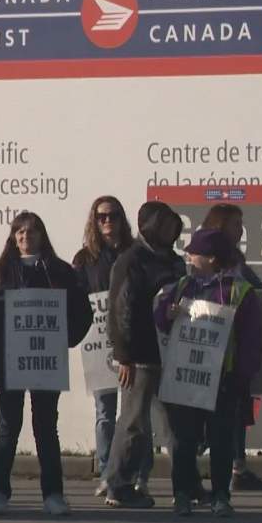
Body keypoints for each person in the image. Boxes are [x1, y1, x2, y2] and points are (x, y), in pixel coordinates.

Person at [0, 211, 93, 517]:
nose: (26, 237)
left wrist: (65, 340)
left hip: (46, 362)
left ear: (42, 235)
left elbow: (82, 312)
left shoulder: (60, 272)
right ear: (13, 237)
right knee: (8, 426)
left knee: (46, 427)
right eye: (20, 232)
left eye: (33, 232)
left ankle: (53, 495)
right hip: (7, 363)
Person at [155, 229, 262, 517]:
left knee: (220, 440)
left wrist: (242, 375)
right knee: (183, 440)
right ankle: (182, 493)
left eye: (194, 252)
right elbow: (163, 321)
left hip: (223, 379)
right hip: (186, 375)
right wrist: (168, 314)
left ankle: (220, 495)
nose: (188, 256)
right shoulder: (181, 286)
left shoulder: (239, 291)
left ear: (212, 258)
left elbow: (252, 338)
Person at [102, 201, 185, 509]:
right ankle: (118, 483)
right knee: (134, 422)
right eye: (163, 225)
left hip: (170, 353)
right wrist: (123, 355)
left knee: (177, 425)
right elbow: (120, 310)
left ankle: (185, 484)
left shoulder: (173, 261)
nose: (170, 232)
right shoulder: (131, 261)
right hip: (140, 357)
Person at [70, 196, 155, 498]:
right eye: (102, 217)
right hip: (99, 346)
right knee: (105, 412)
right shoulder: (84, 259)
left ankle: (139, 474)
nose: (108, 222)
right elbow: (76, 299)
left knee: (137, 414)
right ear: (93, 221)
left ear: (123, 219)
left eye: (114, 216)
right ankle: (108, 471)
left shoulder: (136, 253)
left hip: (134, 343)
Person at [200, 203, 262, 492]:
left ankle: (238, 467)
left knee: (239, 409)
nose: (241, 229)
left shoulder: (238, 260)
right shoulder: (207, 257)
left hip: (238, 347)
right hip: (214, 345)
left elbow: (255, 290)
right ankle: (205, 466)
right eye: (236, 224)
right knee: (214, 412)